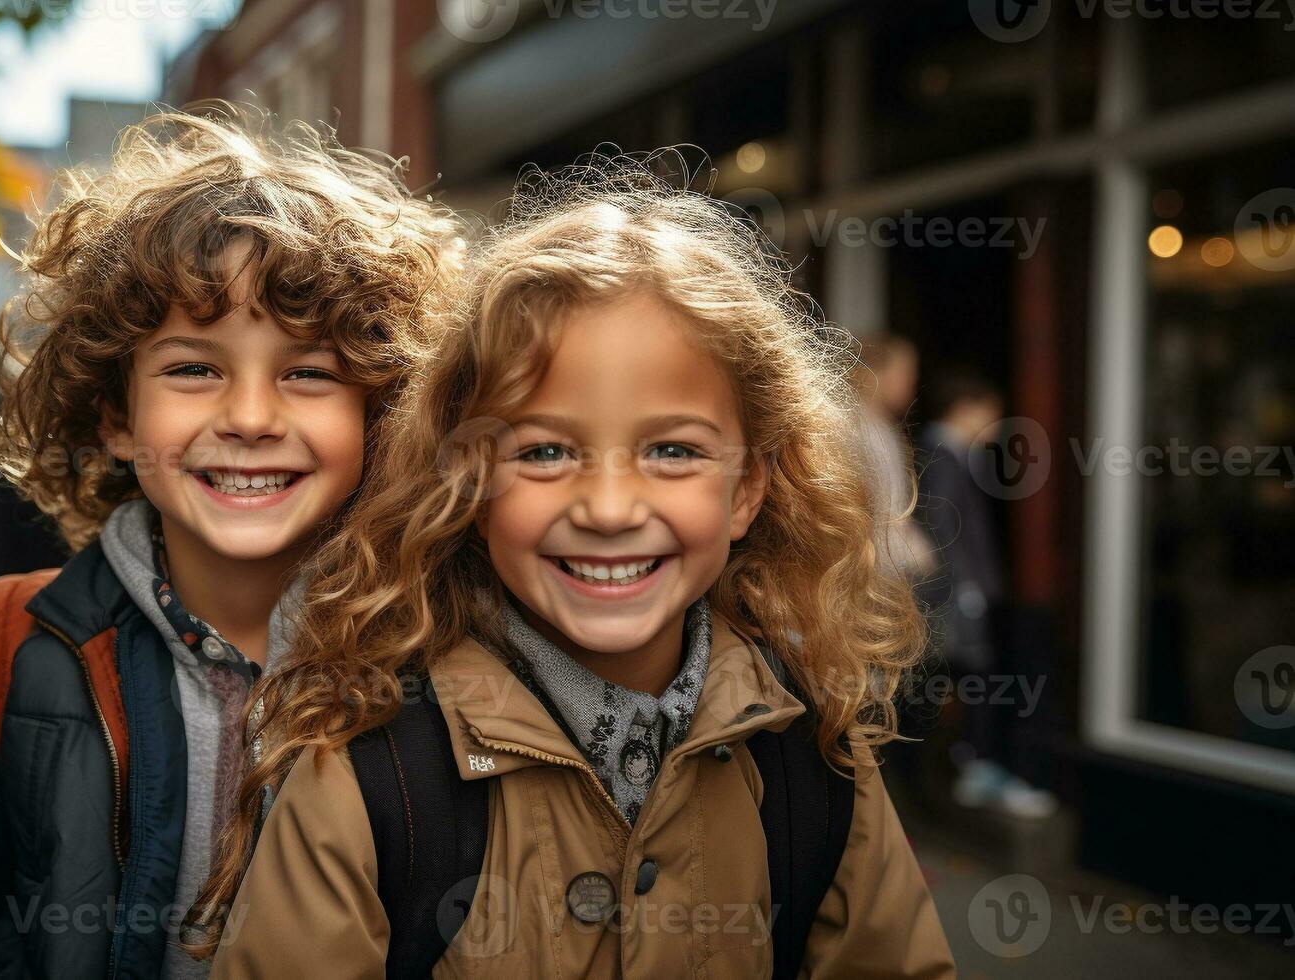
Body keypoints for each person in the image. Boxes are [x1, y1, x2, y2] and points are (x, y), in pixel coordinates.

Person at [191, 165, 955, 978]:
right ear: (472, 485)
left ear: (747, 492)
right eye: (546, 451)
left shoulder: (813, 751)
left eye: (672, 451)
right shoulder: (368, 767)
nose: (609, 507)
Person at [0, 107, 459, 979]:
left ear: (379, 415)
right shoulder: (5, 648)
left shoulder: (453, 658)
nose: (248, 417)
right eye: (193, 368)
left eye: (308, 373)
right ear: (118, 417)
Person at [915, 368, 1056, 820]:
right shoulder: (940, 453)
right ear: (969, 407)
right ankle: (972, 768)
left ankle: (969, 768)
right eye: (991, 412)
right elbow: (943, 529)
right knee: (969, 679)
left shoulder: (950, 454)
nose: (996, 425)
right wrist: (964, 589)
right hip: (954, 593)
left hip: (959, 591)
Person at [854, 334, 934, 583]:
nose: (912, 381)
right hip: (874, 567)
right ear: (875, 373)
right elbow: (880, 510)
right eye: (904, 372)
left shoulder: (883, 428)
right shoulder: (859, 429)